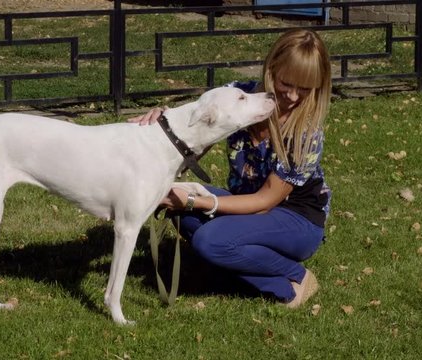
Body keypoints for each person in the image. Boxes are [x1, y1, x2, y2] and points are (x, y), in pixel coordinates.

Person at [129, 28, 332, 308]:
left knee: (209, 241)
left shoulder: (307, 131)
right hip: (248, 205)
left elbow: (264, 202)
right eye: (287, 83)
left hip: (296, 219)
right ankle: (236, 269)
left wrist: (199, 201)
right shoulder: (239, 96)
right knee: (176, 201)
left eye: (306, 89)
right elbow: (189, 134)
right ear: (271, 67)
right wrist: (162, 121)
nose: (294, 97)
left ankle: (292, 279)